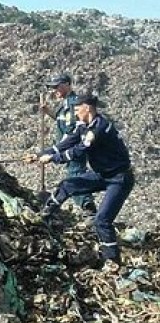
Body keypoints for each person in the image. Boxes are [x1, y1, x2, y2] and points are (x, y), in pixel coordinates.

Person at [25, 91, 134, 269]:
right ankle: (44, 217)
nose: (75, 113)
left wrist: (53, 159)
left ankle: (113, 261)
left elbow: (79, 150)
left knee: (102, 220)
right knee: (68, 185)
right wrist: (39, 155)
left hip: (119, 178)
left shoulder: (99, 128)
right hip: (102, 174)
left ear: (87, 108)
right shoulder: (83, 125)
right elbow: (66, 143)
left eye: (77, 109)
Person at [40, 73, 97, 214]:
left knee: (75, 176)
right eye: (53, 88)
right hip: (67, 148)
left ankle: (88, 207)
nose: (55, 90)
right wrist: (49, 112)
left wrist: (55, 151)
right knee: (73, 176)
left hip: (73, 149)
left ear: (67, 85)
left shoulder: (73, 104)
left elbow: (73, 130)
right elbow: (63, 123)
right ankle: (87, 207)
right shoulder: (65, 105)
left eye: (57, 87)